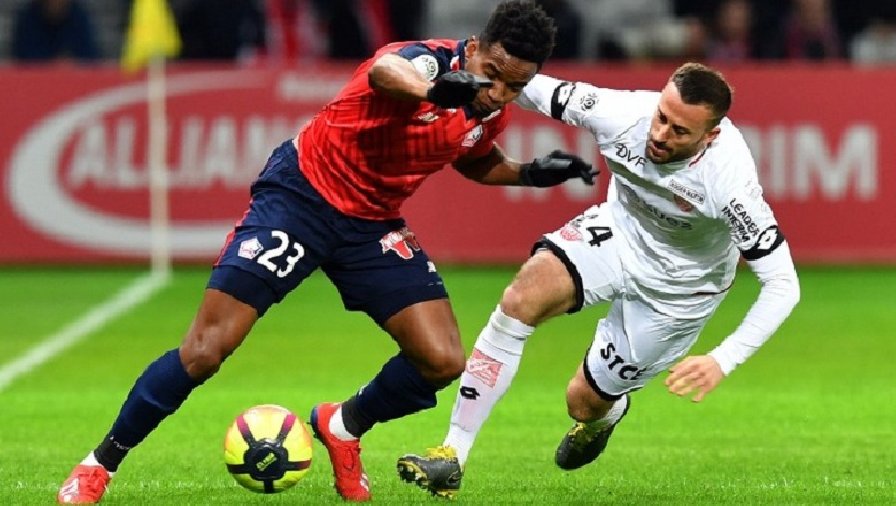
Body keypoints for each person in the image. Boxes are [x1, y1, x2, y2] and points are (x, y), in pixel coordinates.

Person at [55, 1, 597, 503]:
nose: (498, 92)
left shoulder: (488, 110)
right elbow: (386, 73)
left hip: (372, 224)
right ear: (473, 47)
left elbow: (474, 158)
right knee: (206, 350)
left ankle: (342, 426)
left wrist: (530, 173)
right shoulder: (428, 64)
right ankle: (99, 464)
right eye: (493, 73)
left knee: (442, 360)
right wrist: (435, 91)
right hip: (301, 199)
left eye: (514, 86)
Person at [397, 62, 801, 498]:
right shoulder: (620, 113)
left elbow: (783, 285)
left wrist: (723, 359)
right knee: (520, 300)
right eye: (662, 116)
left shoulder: (731, 184)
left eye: (680, 131)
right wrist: (456, 68)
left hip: (679, 292)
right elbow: (528, 86)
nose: (660, 134)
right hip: (618, 233)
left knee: (583, 403)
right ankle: (452, 455)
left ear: (711, 135)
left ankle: (604, 418)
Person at [11, 0, 100, 62]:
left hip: (74, 79)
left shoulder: (80, 17)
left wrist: (73, 63)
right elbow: (22, 60)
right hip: (35, 80)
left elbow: (91, 59)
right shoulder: (28, 19)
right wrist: (52, 65)